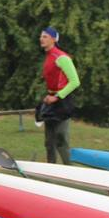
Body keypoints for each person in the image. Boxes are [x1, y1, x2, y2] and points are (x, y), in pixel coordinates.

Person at [38, 26, 79, 164]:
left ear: (54, 39)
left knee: (61, 140)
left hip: (63, 101)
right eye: (41, 36)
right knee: (49, 143)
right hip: (50, 101)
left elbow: (75, 82)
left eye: (45, 36)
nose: (41, 39)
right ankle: (50, 176)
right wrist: (49, 96)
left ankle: (70, 173)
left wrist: (57, 96)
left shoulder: (62, 57)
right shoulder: (48, 56)